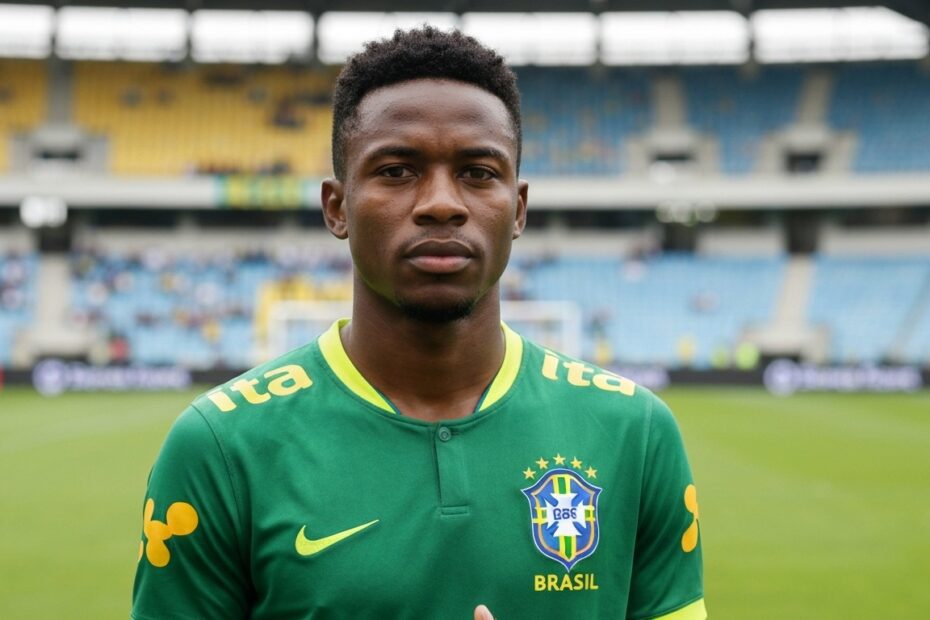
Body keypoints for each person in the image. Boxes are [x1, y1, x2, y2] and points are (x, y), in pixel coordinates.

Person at [132, 27, 705, 620]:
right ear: (337, 207)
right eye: (396, 171)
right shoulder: (221, 446)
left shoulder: (634, 432)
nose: (441, 203)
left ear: (518, 209)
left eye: (478, 172)